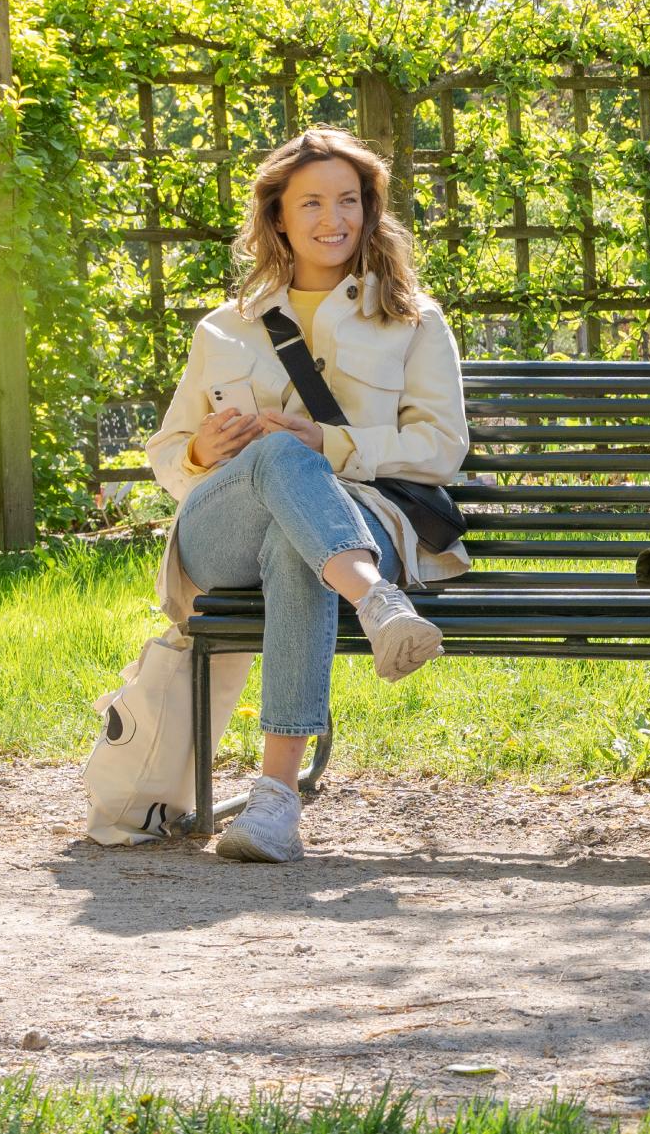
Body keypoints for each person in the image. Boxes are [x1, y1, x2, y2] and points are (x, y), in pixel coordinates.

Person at [144, 127, 469, 862]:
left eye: (350, 200)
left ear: (370, 210)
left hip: (367, 516)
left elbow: (442, 447)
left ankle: (274, 804)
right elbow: (167, 454)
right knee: (281, 459)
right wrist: (202, 451)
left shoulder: (414, 317)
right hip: (221, 529)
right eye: (313, 202)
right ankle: (379, 601)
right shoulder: (224, 329)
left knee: (299, 535)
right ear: (278, 217)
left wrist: (332, 445)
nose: (334, 218)